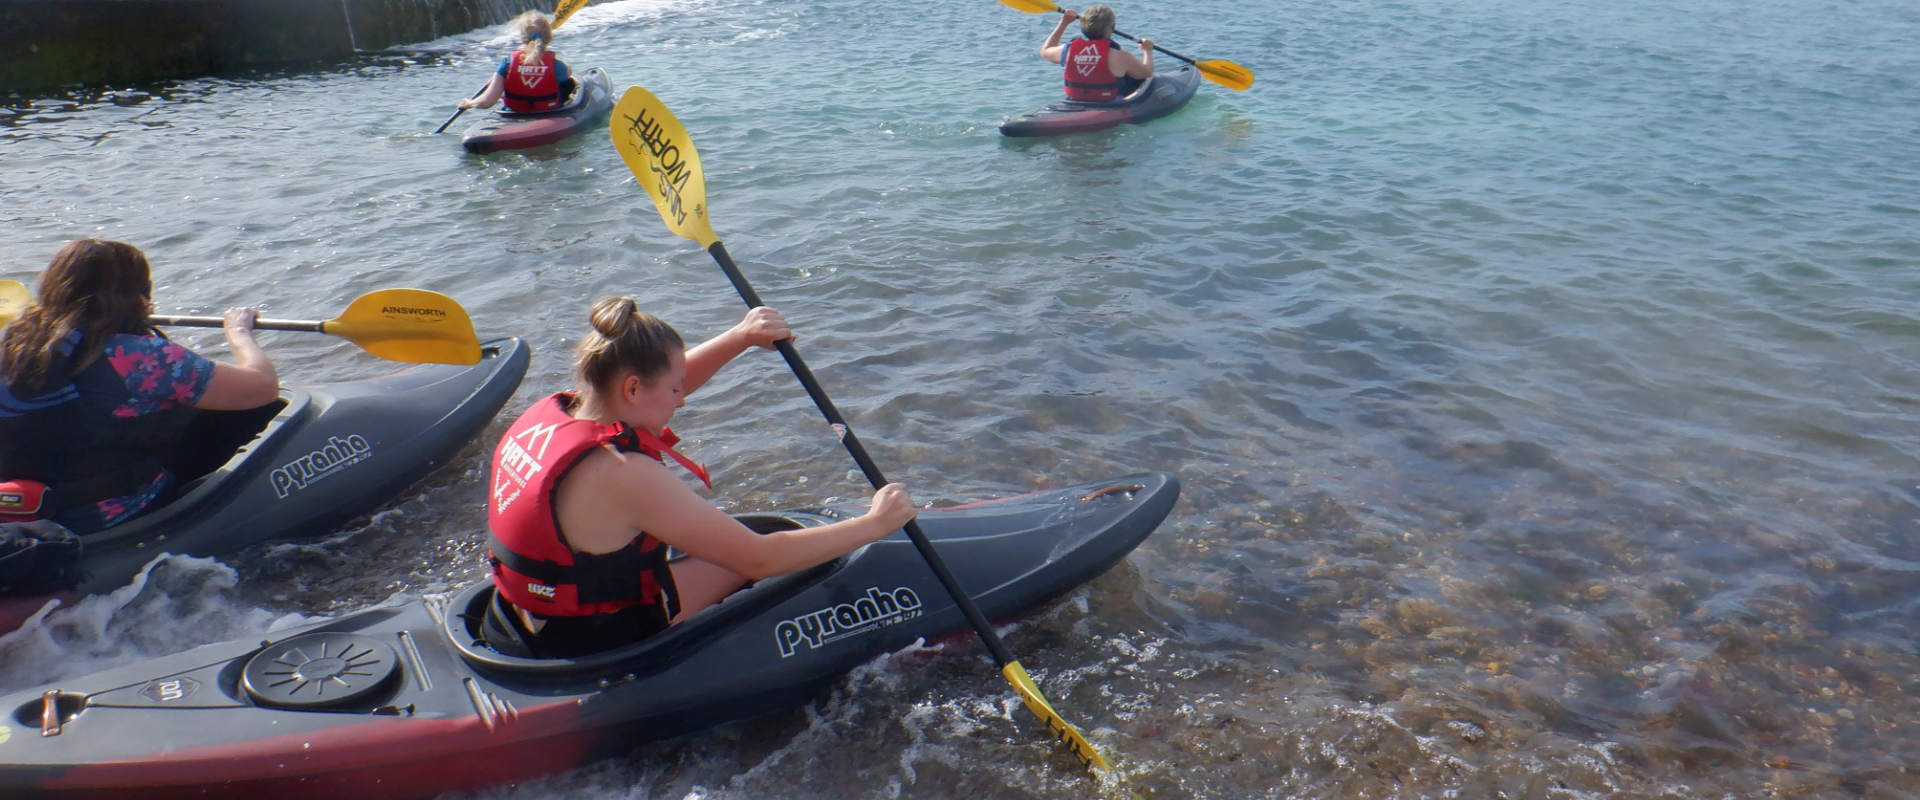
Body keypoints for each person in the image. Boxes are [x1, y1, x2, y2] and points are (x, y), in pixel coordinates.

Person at [484, 297, 918, 658]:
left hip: (523, 615)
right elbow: (759, 559)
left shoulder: (556, 413)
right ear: (632, 390)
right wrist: (874, 524)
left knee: (764, 536)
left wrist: (741, 337)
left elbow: (656, 383)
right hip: (586, 640)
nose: (682, 401)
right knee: (796, 562)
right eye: (675, 390)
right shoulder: (621, 472)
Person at [0, 239, 280, 534]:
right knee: (241, 410)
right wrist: (239, 334)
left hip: (21, 509)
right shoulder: (141, 357)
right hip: (109, 514)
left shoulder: (12, 346)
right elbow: (263, 387)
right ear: (138, 295)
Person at [456, 11, 575, 114]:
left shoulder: (506, 64)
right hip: (548, 112)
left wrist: (469, 103)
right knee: (569, 84)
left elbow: (487, 102)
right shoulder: (557, 66)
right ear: (548, 37)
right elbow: (567, 72)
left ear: (522, 38)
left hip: (514, 114)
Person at [1040, 5, 1155, 102]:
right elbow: (1147, 73)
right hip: (1108, 104)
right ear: (1112, 27)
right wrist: (1147, 51)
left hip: (1075, 102)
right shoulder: (1120, 56)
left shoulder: (1068, 49)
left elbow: (1045, 50)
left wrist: (1063, 23)